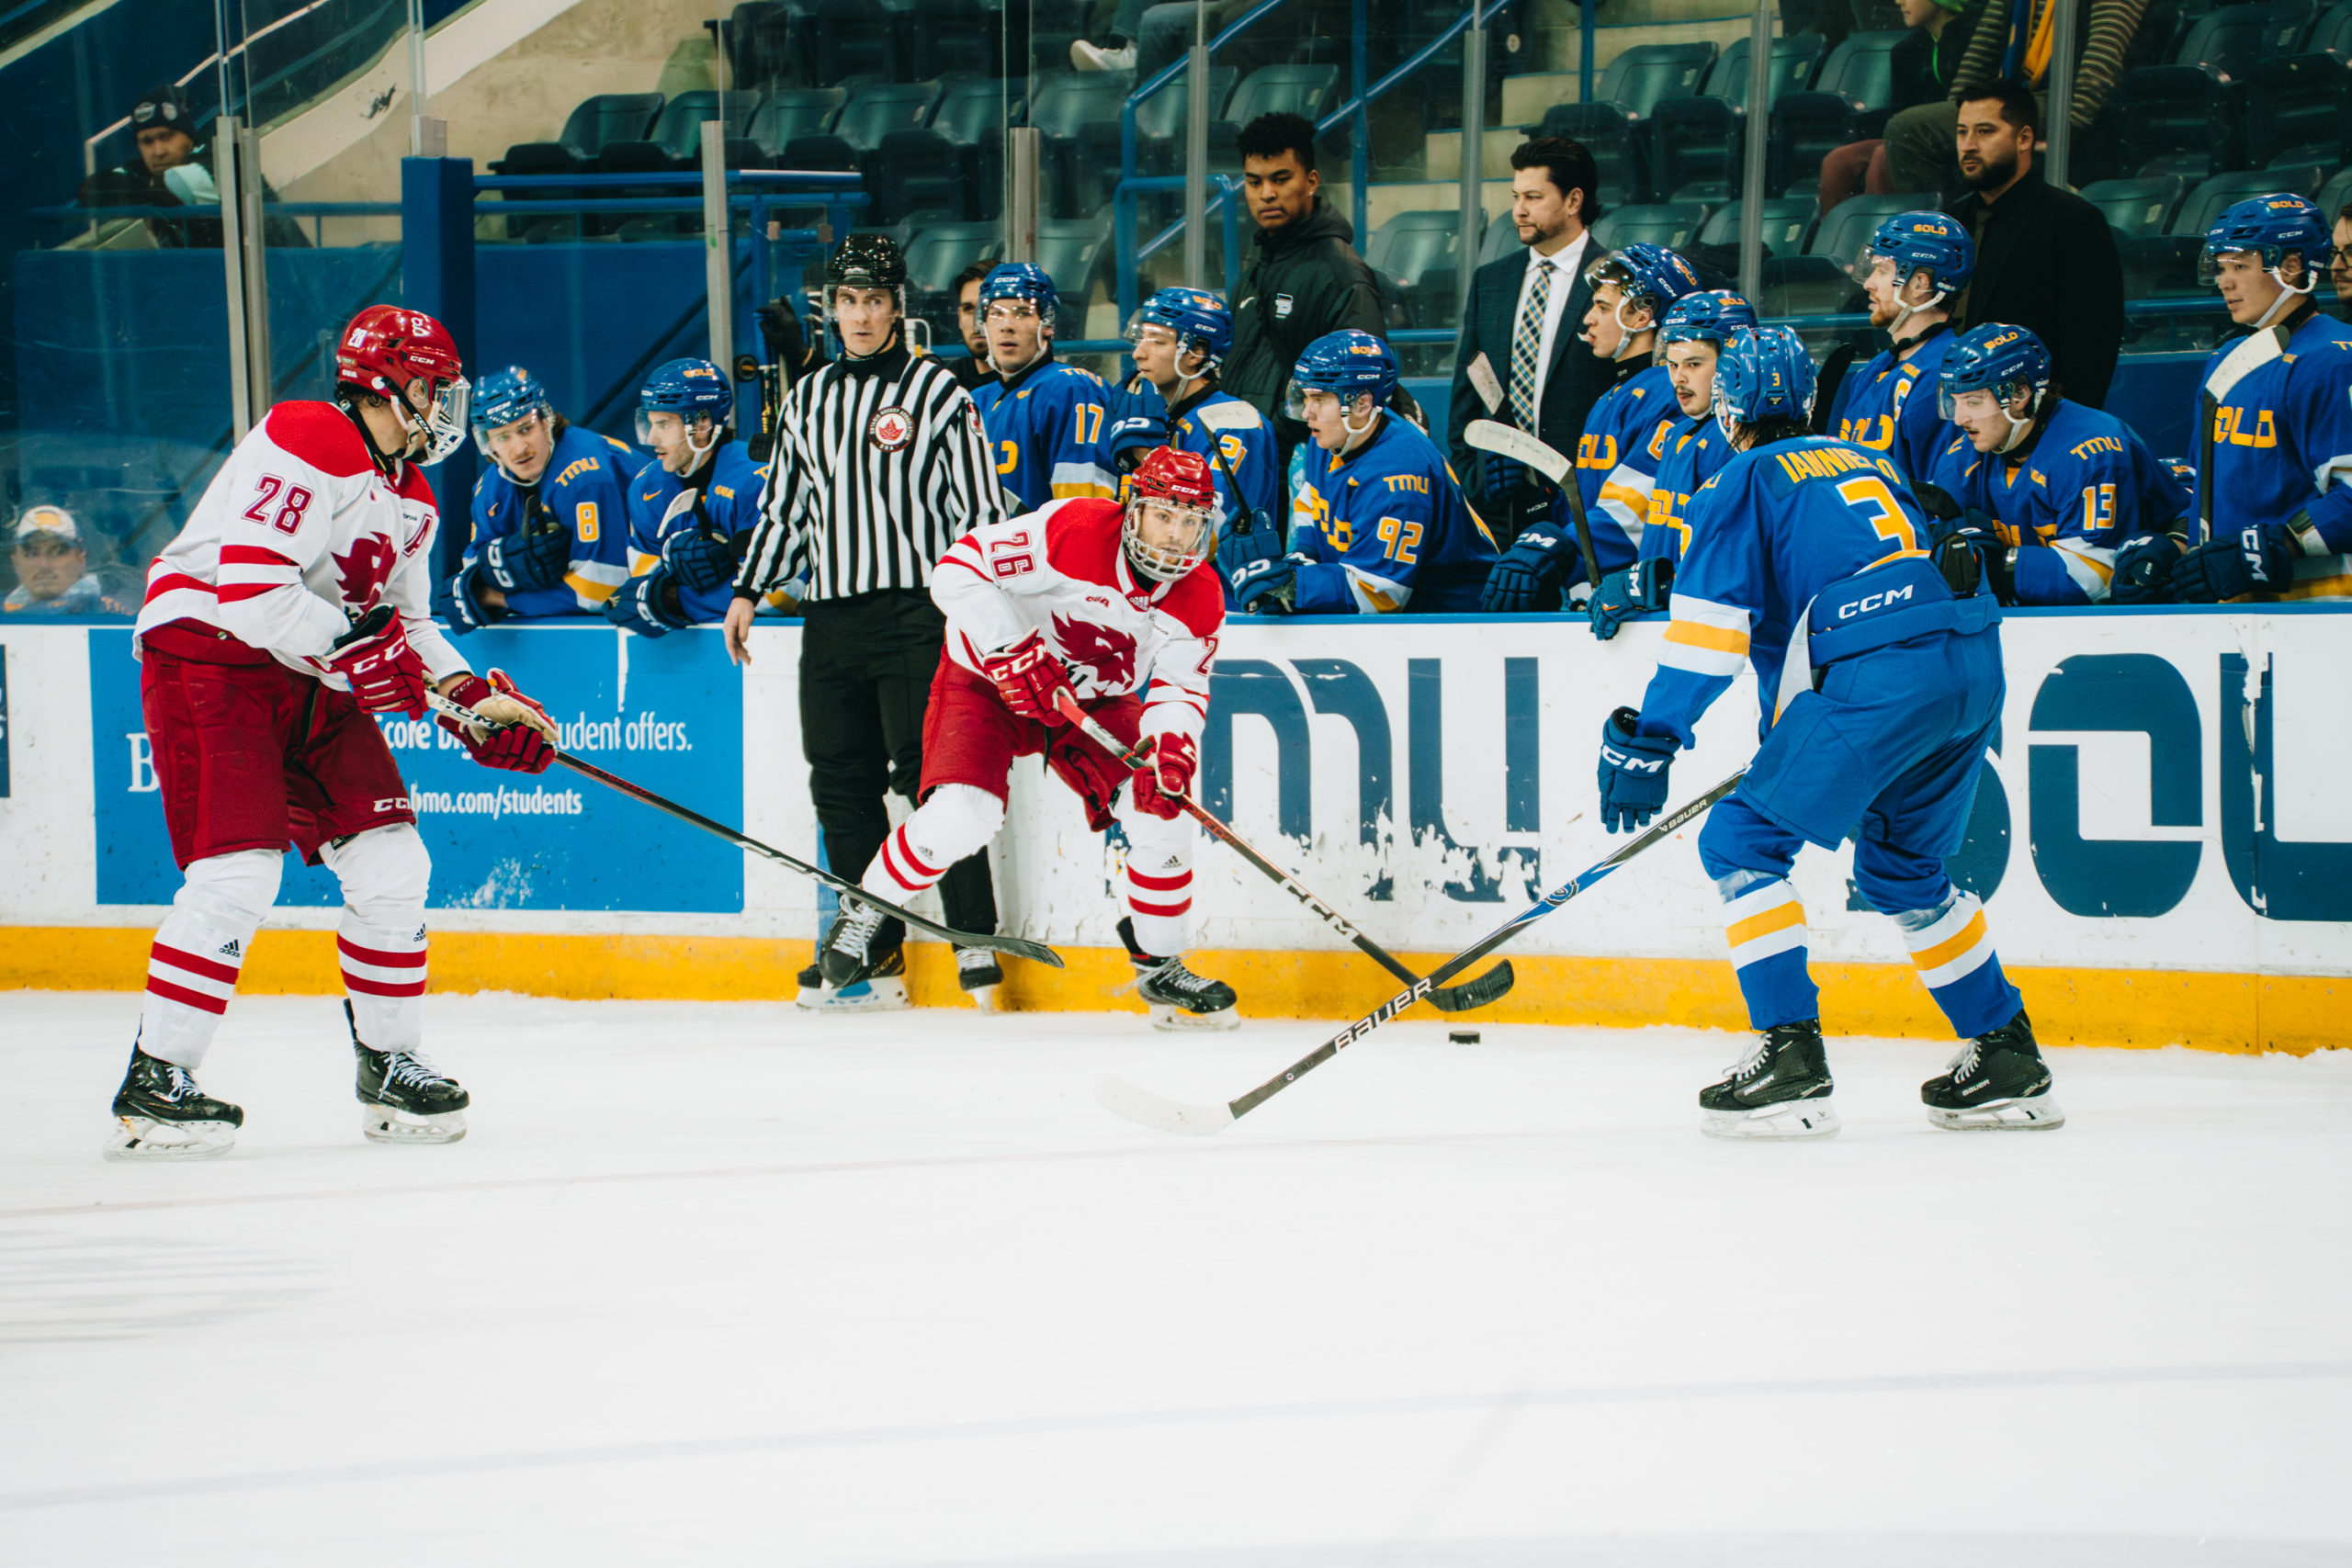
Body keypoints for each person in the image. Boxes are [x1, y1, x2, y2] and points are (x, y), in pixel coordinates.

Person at [111, 303, 560, 1160]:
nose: (443, 406)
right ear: (387, 384)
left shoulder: (413, 497)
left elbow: (408, 624)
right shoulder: (310, 433)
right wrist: (361, 650)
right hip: (211, 653)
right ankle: (157, 1076)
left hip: (307, 666)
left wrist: (469, 698)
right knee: (237, 871)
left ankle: (389, 1064)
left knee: (394, 859)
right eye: (432, 387)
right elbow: (250, 591)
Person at [1597, 324, 2059, 1139]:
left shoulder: (1742, 476)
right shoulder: (1870, 459)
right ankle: (2006, 1056)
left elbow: (1711, 636)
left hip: (1877, 673)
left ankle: (1789, 1059)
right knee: (1904, 868)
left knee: (1739, 844)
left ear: (1730, 409)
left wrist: (1652, 736)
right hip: (1967, 658)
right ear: (1808, 399)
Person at [818, 447, 1239, 1028]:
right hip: (986, 681)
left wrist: (1170, 747)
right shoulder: (1073, 531)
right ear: (1132, 509)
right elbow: (957, 571)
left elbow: (1180, 690)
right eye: (1163, 515)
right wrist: (1012, 647)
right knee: (966, 813)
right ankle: (868, 904)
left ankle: (1160, 962)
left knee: (1161, 812)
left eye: (1190, 521)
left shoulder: (1201, 596)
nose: (1175, 537)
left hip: (1090, 700)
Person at [729, 235, 1009, 1010]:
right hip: (831, 616)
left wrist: (981, 606)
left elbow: (981, 512)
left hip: (918, 613)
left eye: (874, 300)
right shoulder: (809, 397)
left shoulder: (940, 394)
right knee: (840, 786)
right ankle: (875, 947)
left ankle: (972, 937)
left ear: (897, 308)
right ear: (832, 308)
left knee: (935, 783)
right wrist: (751, 587)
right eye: (847, 301)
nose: (859, 315)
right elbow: (787, 507)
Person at [1478, 243, 1701, 612]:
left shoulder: (1667, 392)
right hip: (1597, 596)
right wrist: (1538, 492)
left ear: (1642, 314)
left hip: (1633, 599)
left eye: (1602, 307)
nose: (1588, 319)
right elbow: (1594, 496)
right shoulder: (1614, 395)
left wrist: (1559, 548)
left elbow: (1635, 511)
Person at [2161, 197, 2352, 605]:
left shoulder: (2333, 359)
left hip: (2317, 605)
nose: (2225, 283)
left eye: (2240, 267)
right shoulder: (2225, 359)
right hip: (2232, 602)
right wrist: (2175, 545)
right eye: (2222, 268)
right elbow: (2206, 489)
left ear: (2292, 265)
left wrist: (2277, 544)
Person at [1230, 331, 1498, 615]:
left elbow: (1381, 593)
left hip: (1457, 621)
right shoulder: (1332, 436)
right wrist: (1300, 561)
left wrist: (1295, 586)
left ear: (1362, 403)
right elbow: (1311, 505)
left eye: (1319, 399)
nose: (1308, 412)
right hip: (1401, 614)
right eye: (1306, 397)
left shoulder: (1399, 475)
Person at [1925, 324, 2183, 606]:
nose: (1960, 419)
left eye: (1973, 402)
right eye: (1954, 402)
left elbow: (2095, 577)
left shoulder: (2093, 452)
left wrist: (1995, 565)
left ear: (2020, 394)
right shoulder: (1960, 460)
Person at [1450, 137, 1613, 547]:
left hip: (1585, 508)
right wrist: (1477, 479)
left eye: (1534, 197)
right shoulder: (1491, 281)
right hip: (1501, 508)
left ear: (1574, 200)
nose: (1518, 210)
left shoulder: (1617, 281)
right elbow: (1467, 394)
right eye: (1516, 196)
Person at [1940, 79, 2125, 410]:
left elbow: (2093, 347)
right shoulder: (1949, 222)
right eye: (1961, 132)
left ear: (2024, 138)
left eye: (1984, 132)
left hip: (2034, 424)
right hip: (1951, 415)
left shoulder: (2072, 221)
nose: (1968, 145)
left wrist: (2058, 428)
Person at [1587, 288, 1757, 640]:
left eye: (1694, 364)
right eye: (1672, 364)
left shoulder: (1742, 445)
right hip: (1663, 626)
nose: (1678, 378)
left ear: (1735, 363)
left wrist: (1661, 586)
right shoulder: (1679, 435)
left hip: (1717, 634)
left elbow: (1739, 561)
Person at [1220, 112, 1387, 465]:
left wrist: (1276, 437)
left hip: (1299, 470)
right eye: (1254, 182)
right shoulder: (1255, 272)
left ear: (1311, 181)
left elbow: (1357, 388)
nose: (1267, 194)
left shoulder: (1340, 273)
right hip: (1246, 463)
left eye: (1281, 179)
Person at [1114, 288, 1283, 609]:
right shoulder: (1153, 418)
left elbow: (1206, 537)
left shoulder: (1235, 423)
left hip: (1218, 610)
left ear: (1196, 353)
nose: (1138, 354)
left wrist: (1145, 459)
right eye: (1141, 338)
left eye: (1157, 341)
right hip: (1156, 602)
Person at [446, 367, 644, 633]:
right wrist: (503, 571)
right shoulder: (490, 489)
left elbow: (599, 589)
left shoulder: (587, 477)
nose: (519, 448)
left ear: (546, 420)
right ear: (488, 445)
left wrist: (499, 598)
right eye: (503, 437)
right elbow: (474, 570)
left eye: (526, 429)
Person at [603, 358, 782, 637]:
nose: (651, 438)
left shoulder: (757, 480)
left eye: (663, 424)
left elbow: (781, 594)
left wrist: (678, 601)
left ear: (702, 423)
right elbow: (644, 586)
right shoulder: (646, 488)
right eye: (649, 423)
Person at [1826, 211, 1973, 484]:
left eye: (1882, 271)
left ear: (1920, 284)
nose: (1869, 284)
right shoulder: (1874, 370)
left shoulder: (1945, 376)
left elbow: (1939, 501)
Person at [75, 84, 305, 250]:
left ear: (188, 136)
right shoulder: (153, 171)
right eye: (147, 141)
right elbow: (92, 190)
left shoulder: (214, 157)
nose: (158, 151)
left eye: (166, 137)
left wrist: (139, 188)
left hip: (282, 279)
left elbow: (173, 185)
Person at [968, 263, 1118, 511]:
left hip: (1047, 548)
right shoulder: (977, 400)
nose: (1007, 325)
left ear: (1047, 325)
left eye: (1022, 312)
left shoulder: (1070, 388)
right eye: (996, 313)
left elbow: (1083, 512)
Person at [1814, 0, 1986, 215]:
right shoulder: (1906, 49)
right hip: (1910, 139)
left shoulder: (1977, 38)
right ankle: (1836, 242)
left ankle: (1882, 239)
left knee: (1883, 158)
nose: (1898, 1)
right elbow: (1899, 115)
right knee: (1837, 161)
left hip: (1955, 138)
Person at [6, 505, 134, 615]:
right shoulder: (6, 612)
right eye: (32, 554)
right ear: (15, 562)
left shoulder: (107, 611)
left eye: (58, 553)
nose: (44, 565)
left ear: (80, 559)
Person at [948, 260, 998, 391]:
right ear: (959, 317)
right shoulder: (950, 378)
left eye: (986, 308)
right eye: (968, 309)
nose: (978, 321)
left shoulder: (1031, 384)